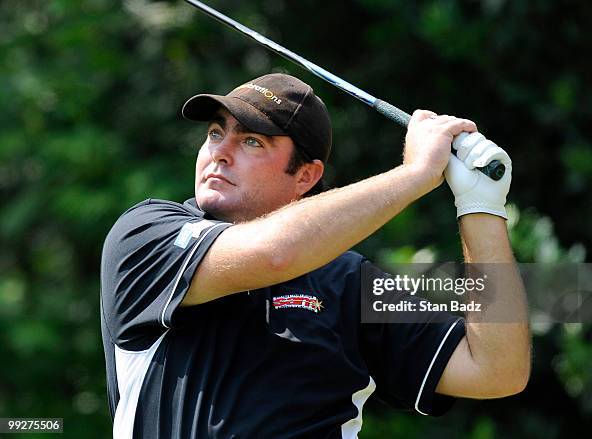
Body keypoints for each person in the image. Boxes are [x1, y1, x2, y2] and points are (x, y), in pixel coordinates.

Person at [100, 73, 530, 438]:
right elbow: (275, 254)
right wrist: (415, 174)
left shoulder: (348, 281)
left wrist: (481, 208)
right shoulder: (146, 235)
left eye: (251, 141)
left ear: (305, 176)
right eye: (216, 132)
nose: (220, 152)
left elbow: (495, 369)